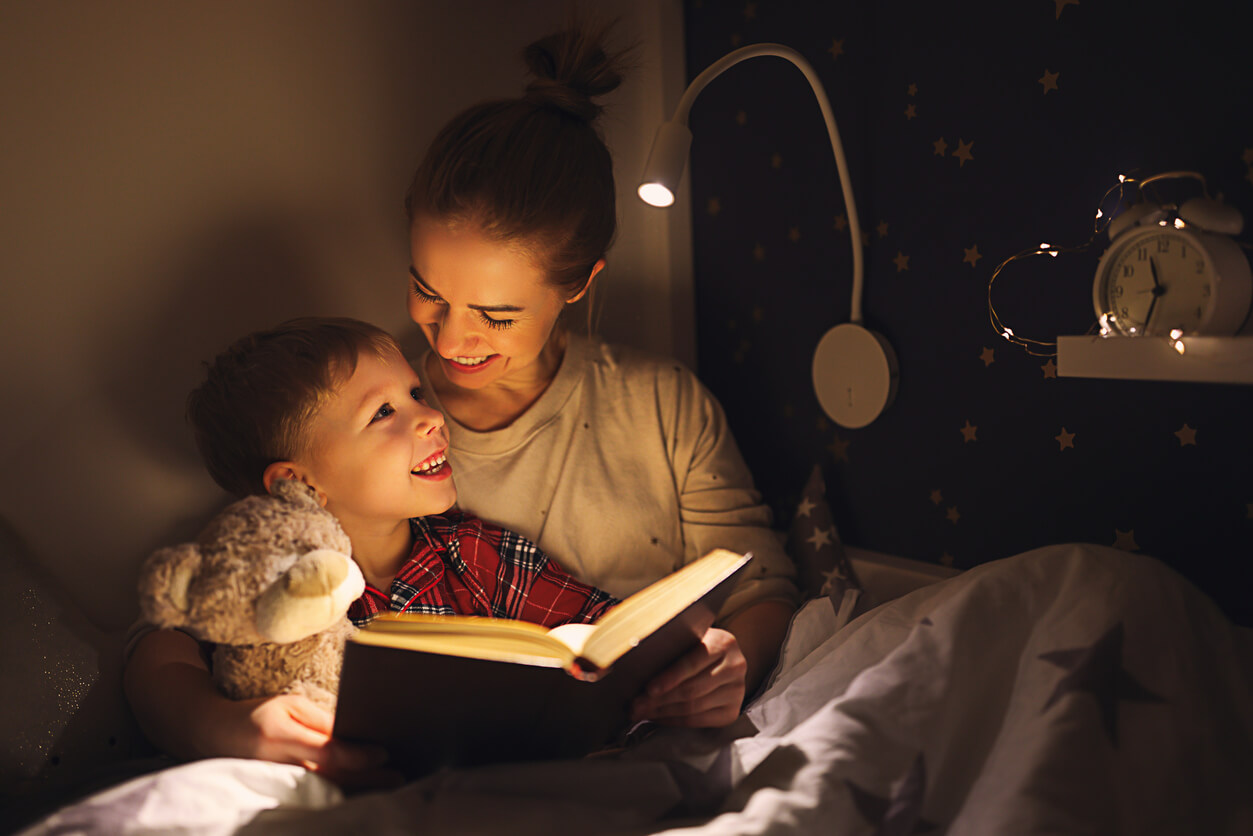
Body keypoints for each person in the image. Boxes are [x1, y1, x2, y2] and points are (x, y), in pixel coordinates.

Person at [402, 23, 800, 727]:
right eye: (428, 292)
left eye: (496, 314)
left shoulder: (661, 405)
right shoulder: (377, 409)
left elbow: (759, 584)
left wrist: (730, 659)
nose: (453, 337)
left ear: (579, 285)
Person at [124, 316, 619, 781]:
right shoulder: (257, 575)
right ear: (297, 483)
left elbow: (610, 627)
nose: (430, 417)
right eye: (384, 412)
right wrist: (224, 725)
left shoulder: (470, 552)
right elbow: (158, 654)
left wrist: (678, 669)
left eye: (416, 394)